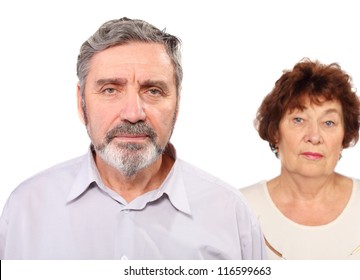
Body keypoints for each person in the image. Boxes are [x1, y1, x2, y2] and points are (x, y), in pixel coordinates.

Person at [0, 17, 263, 260]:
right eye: (110, 89)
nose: (133, 114)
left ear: (178, 105)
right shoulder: (25, 208)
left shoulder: (230, 213)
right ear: (81, 104)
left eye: (153, 91)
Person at [241, 58, 360, 260]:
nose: (314, 136)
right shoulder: (241, 209)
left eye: (328, 122)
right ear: (275, 132)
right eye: (298, 120)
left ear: (344, 136)